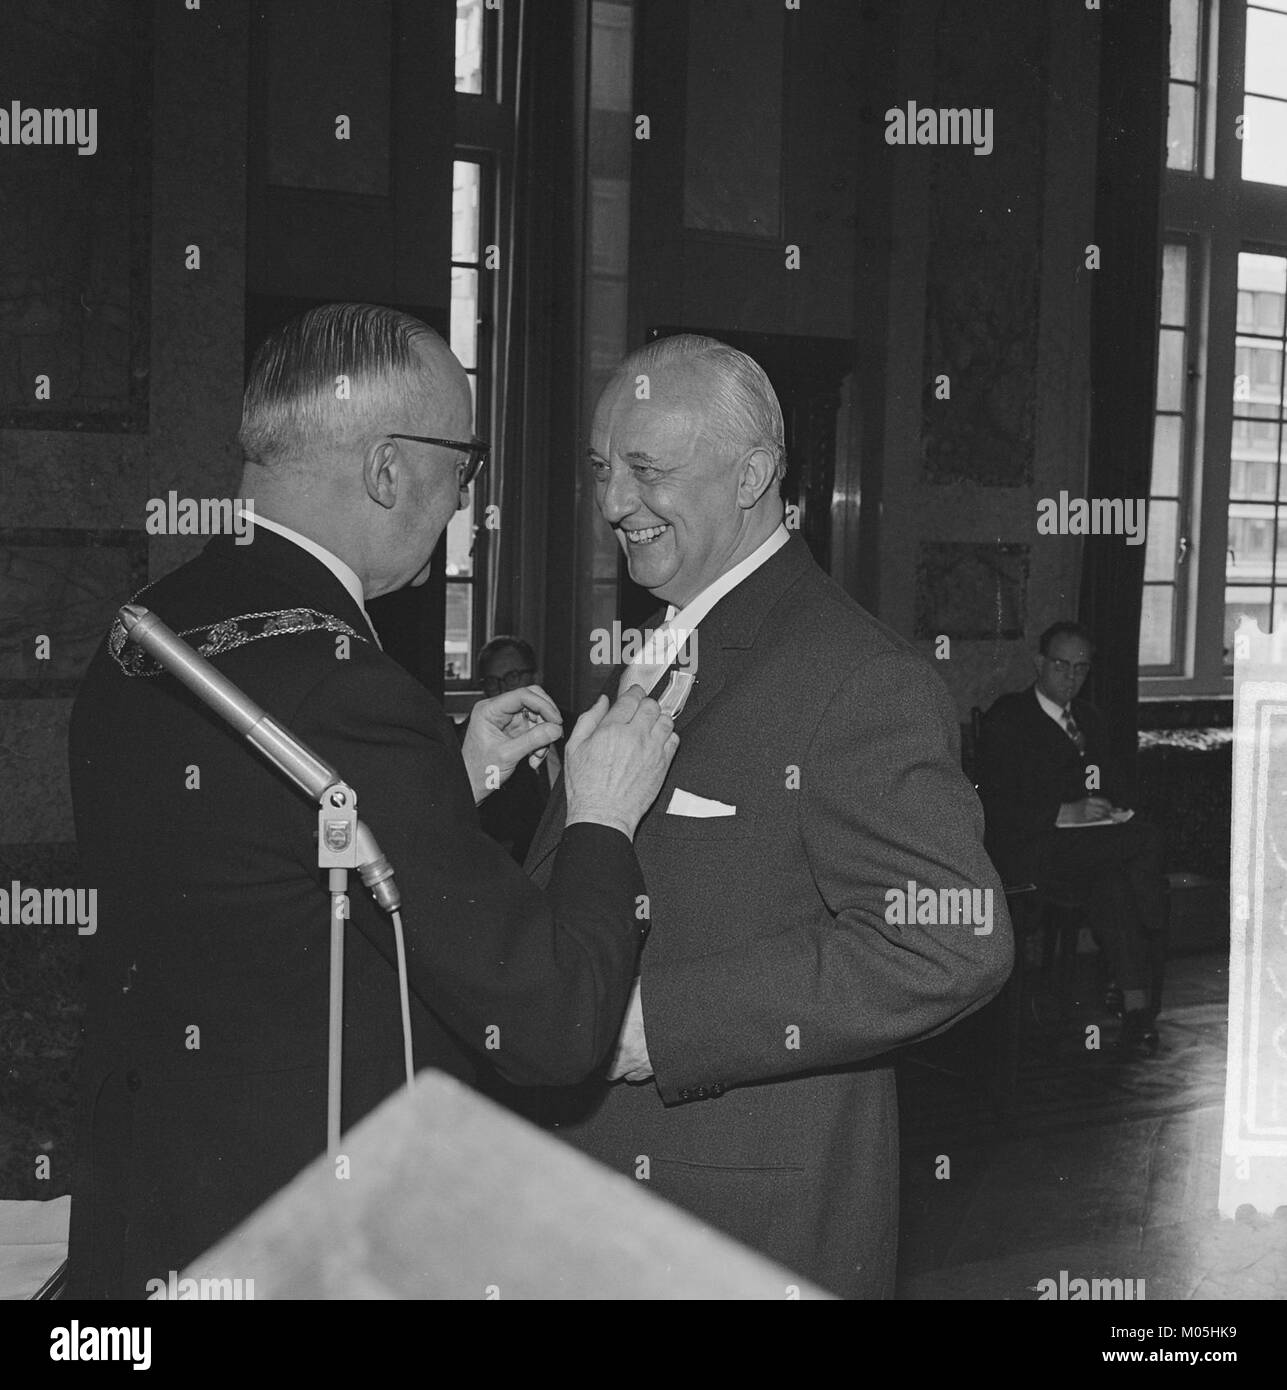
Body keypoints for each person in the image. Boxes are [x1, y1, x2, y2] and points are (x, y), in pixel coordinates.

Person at [66, 303, 677, 1299]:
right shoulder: (350, 689)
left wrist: (445, 776)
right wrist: (603, 813)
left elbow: (249, 862)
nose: (464, 501)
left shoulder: (147, 629)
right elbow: (552, 1021)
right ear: (389, 469)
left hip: (151, 1215)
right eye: (464, 466)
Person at [522, 334, 1012, 1299]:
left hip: (738, 1231)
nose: (614, 502)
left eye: (646, 469)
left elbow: (955, 938)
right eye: (601, 468)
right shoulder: (669, 638)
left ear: (752, 474)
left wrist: (651, 1027)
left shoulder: (855, 677)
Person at [974, 621, 1167, 1057]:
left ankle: (1137, 1010)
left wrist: (1117, 809)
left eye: (1082, 668)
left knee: (1115, 880)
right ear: (1040, 663)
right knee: (1146, 842)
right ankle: (1152, 928)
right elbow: (992, 805)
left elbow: (1117, 783)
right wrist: (1063, 813)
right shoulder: (1009, 718)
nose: (1072, 677)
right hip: (1031, 854)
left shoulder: (1091, 719)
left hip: (1088, 855)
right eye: (1062, 665)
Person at [473, 635, 560, 862]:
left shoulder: (573, 726)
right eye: (492, 681)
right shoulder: (476, 746)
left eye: (512, 677)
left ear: (536, 677)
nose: (503, 690)